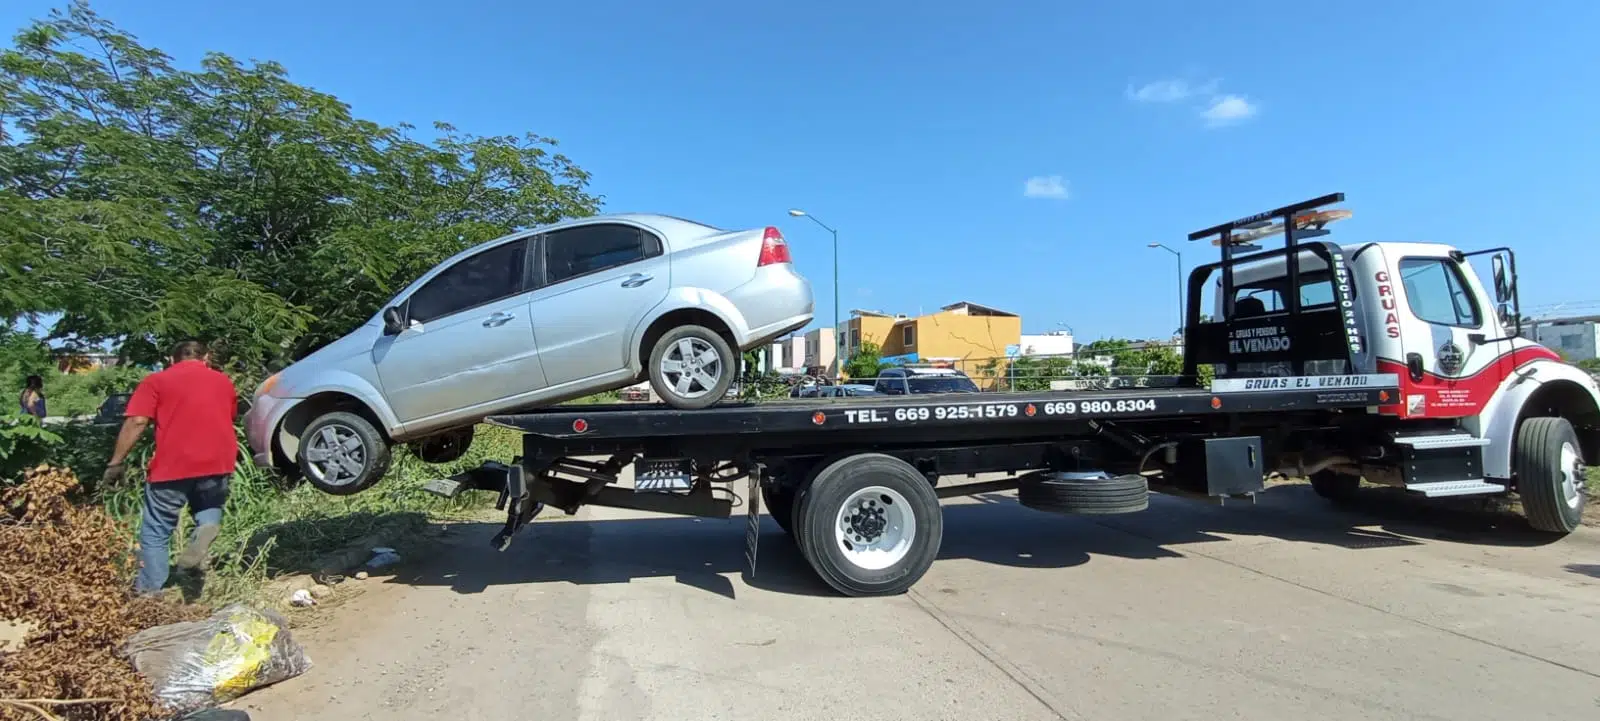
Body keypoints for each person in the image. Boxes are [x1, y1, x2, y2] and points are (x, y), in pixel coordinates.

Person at [104, 340, 240, 595]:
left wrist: (116, 461)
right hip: (219, 462)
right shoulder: (223, 381)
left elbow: (137, 421)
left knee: (156, 530)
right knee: (208, 505)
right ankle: (208, 525)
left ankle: (149, 593)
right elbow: (228, 415)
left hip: (172, 465)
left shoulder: (157, 381)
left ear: (170, 358)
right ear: (206, 357)